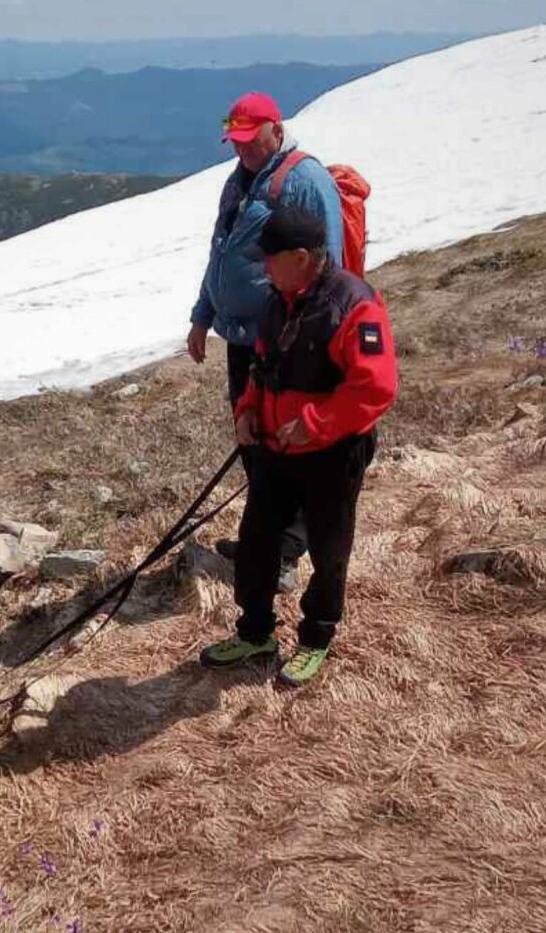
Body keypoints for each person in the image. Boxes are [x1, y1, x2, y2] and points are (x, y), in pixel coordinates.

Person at [199, 207, 397, 687]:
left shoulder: (355, 306)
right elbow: (261, 367)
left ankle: (316, 638)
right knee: (256, 543)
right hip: (276, 452)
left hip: (332, 457)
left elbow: (376, 387)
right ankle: (256, 633)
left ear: (303, 257)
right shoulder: (279, 300)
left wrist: (316, 424)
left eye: (272, 258)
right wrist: (245, 411)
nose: (264, 267)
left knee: (330, 550)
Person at [186, 91, 345, 588]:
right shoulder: (239, 182)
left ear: (276, 129)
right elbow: (221, 254)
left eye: (250, 142)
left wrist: (309, 339)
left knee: (287, 448)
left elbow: (327, 265)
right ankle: (266, 537)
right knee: (254, 441)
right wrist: (201, 316)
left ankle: (285, 553)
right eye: (235, 143)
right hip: (243, 339)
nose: (242, 152)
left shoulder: (305, 180)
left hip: (285, 342)